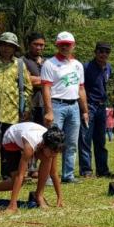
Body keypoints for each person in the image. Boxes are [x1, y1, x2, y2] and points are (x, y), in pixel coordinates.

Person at [41, 31, 89, 183]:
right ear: (57, 45)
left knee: (72, 142)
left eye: (68, 45)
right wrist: (49, 111)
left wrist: (85, 110)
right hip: (56, 105)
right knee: (52, 142)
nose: (65, 48)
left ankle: (68, 175)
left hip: (74, 105)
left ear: (73, 46)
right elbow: (46, 88)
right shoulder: (50, 64)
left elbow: (81, 89)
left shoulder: (78, 65)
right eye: (62, 45)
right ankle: (48, 176)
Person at [0, 123, 64, 212]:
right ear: (44, 146)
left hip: (29, 139)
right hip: (11, 142)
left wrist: (60, 197)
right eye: (52, 152)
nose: (54, 155)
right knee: (18, 181)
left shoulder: (53, 145)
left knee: (48, 159)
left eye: (56, 152)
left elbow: (53, 172)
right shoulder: (30, 146)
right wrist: (13, 204)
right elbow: (20, 175)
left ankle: (38, 195)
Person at [0, 32, 33, 178]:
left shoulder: (19, 65)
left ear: (15, 49)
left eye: (10, 46)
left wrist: (26, 108)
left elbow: (27, 88)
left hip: (12, 111)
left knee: (8, 145)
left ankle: (7, 174)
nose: (6, 48)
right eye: (4, 45)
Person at [79, 42, 112, 178]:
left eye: (106, 52)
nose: (103, 54)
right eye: (101, 51)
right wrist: (84, 108)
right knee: (86, 139)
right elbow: (81, 88)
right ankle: (86, 170)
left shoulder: (108, 67)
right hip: (89, 105)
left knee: (100, 140)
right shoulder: (86, 67)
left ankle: (102, 169)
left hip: (102, 106)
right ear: (95, 52)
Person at [22, 32, 46, 125]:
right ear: (29, 44)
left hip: (45, 104)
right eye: (35, 44)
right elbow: (26, 80)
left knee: (43, 134)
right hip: (28, 104)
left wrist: (35, 79)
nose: (39, 47)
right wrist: (47, 80)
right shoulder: (21, 61)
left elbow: (55, 80)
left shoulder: (47, 62)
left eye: (41, 45)